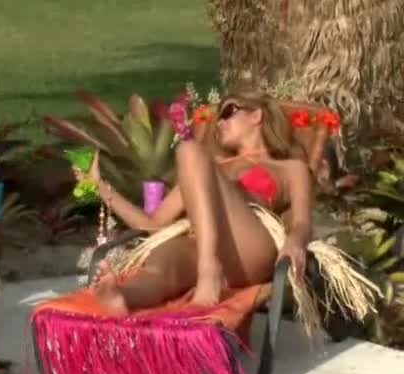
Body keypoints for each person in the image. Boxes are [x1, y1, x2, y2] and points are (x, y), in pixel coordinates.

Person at [88, 91, 312, 313]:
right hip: (200, 245)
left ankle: (208, 269)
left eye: (228, 112)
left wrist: (295, 242)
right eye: (218, 118)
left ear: (256, 116)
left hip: (248, 250)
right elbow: (153, 224)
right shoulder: (206, 167)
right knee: (162, 263)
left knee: (189, 149)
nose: (220, 123)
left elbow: (303, 222)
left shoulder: (291, 168)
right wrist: (100, 187)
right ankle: (123, 296)